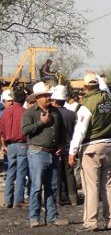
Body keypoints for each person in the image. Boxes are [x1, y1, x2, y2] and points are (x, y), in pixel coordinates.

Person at [68, 73, 111, 231]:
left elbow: (80, 131)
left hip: (92, 148)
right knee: (108, 187)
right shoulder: (109, 99)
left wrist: (72, 151)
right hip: (110, 146)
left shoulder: (86, 105)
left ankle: (90, 222)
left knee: (91, 187)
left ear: (85, 87)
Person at [22, 82, 68, 227]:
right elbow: (25, 131)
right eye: (46, 95)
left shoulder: (55, 112)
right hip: (37, 153)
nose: (49, 97)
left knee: (52, 187)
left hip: (53, 153)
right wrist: (41, 123)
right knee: (36, 186)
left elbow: (62, 131)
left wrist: (61, 144)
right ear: (38, 97)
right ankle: (34, 218)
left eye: (49, 95)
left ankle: (52, 217)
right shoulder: (30, 113)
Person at [0, 89, 28, 209]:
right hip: (22, 144)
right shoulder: (26, 112)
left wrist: (4, 145)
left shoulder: (6, 112)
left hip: (10, 145)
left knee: (10, 172)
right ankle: (18, 201)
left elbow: (1, 131)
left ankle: (7, 201)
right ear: (24, 99)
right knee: (21, 173)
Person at [50, 85, 78, 206]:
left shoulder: (52, 113)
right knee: (69, 173)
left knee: (57, 173)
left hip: (56, 148)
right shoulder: (72, 114)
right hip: (69, 148)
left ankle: (57, 199)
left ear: (54, 99)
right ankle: (73, 199)